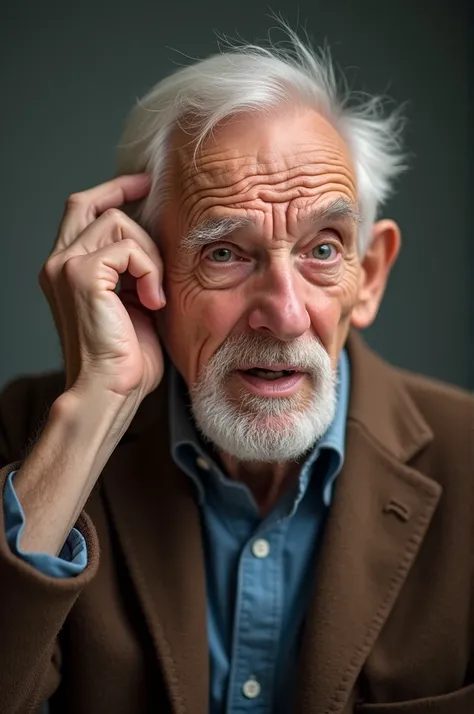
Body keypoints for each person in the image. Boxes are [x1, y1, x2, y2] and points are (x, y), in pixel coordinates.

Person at [0, 26, 473, 714]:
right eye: (224, 253)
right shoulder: (30, 437)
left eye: (323, 249)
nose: (282, 315)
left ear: (368, 277)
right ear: (143, 271)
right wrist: (95, 409)